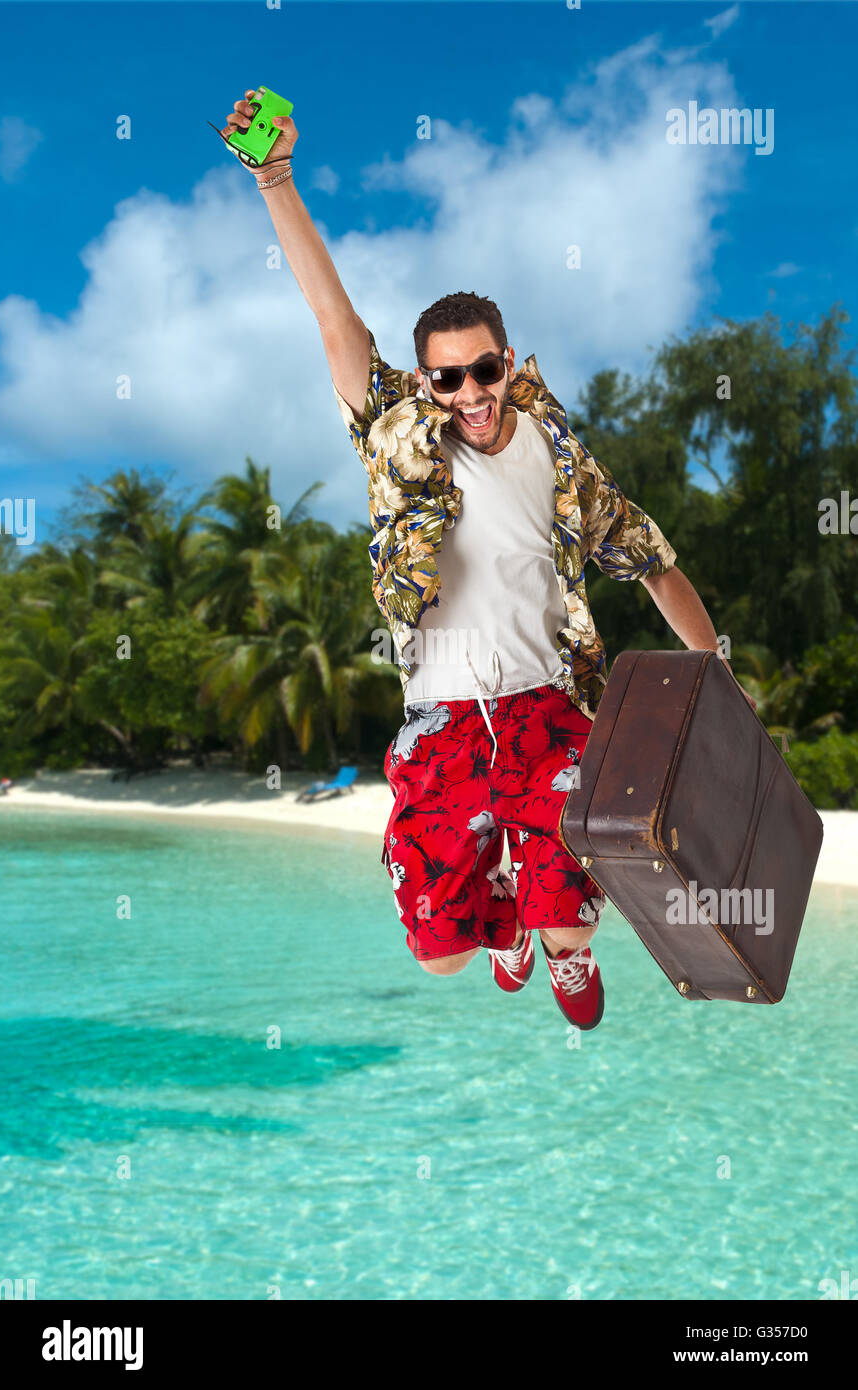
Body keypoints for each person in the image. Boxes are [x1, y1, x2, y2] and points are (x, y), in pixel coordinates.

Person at [219, 91, 756, 1030]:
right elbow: (333, 319)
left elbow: (652, 560)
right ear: (424, 381)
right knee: (442, 957)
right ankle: (498, 923)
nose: (469, 392)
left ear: (508, 363)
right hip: (442, 719)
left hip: (547, 706)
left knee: (574, 931)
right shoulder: (395, 436)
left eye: (484, 370)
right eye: (447, 376)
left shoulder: (555, 457)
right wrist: (276, 181)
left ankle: (548, 935)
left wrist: (716, 666)